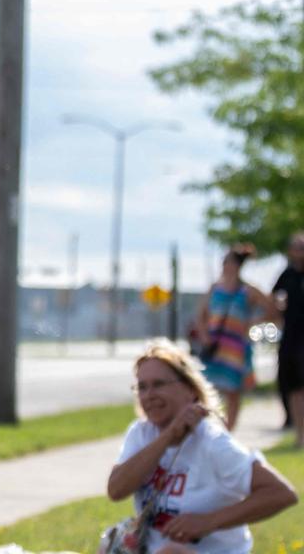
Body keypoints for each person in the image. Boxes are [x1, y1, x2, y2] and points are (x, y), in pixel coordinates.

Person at [103, 339, 297, 553]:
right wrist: (168, 437)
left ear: (190, 389)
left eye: (158, 384)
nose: (149, 395)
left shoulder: (213, 442)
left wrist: (208, 521)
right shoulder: (141, 433)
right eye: (142, 387)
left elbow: (281, 493)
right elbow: (116, 490)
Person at [193, 244, 276, 431]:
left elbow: (272, 309)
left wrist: (253, 322)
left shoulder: (248, 290)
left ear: (237, 265)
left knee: (232, 391)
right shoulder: (215, 288)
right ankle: (208, 428)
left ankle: (228, 431)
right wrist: (205, 336)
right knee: (206, 388)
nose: (224, 266)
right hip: (215, 345)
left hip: (236, 347)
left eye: (227, 262)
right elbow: (200, 316)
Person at [271, 231, 304, 448]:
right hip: (291, 339)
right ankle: (300, 436)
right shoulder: (287, 274)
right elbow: (273, 297)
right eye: (297, 247)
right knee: (292, 387)